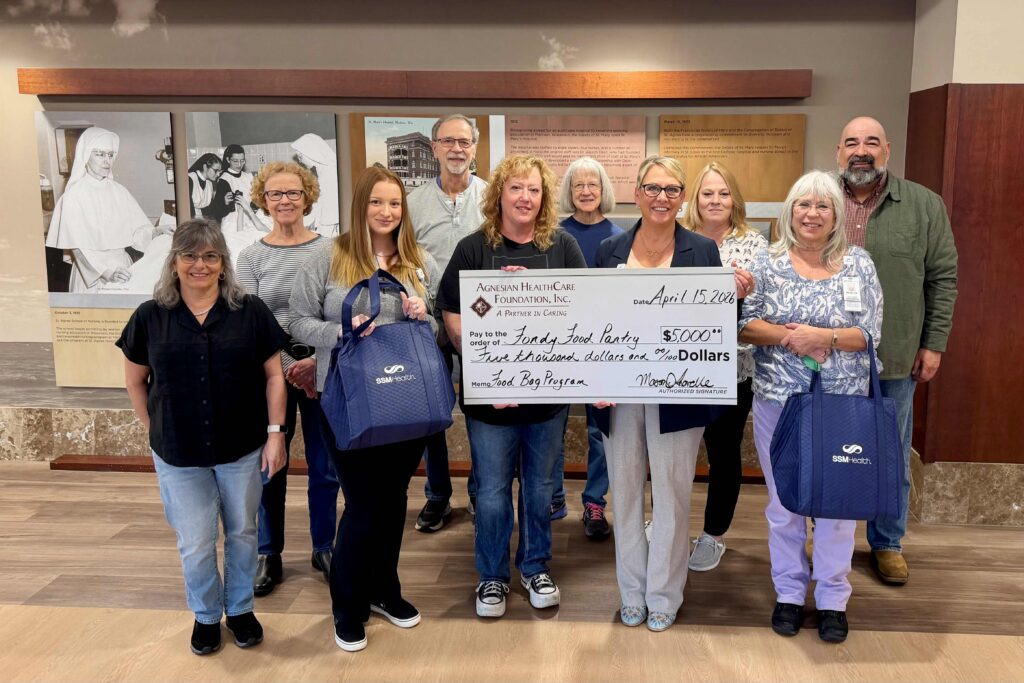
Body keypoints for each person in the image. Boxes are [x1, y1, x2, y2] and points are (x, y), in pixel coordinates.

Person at [115, 218, 288, 655]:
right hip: (179, 453)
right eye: (190, 255)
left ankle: (241, 609)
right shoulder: (150, 317)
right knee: (194, 541)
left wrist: (275, 435)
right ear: (174, 262)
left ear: (223, 264)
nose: (200, 264)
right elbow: (136, 381)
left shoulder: (250, 311)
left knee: (244, 532)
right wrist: (153, 428)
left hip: (242, 447)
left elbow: (274, 377)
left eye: (210, 256)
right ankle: (207, 616)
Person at [290, 166, 440, 652]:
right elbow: (296, 319)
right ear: (361, 205)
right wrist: (341, 331)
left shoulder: (418, 262)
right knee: (361, 505)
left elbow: (437, 331)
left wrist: (425, 316)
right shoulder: (328, 258)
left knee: (394, 500)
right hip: (348, 401)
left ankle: (385, 590)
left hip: (405, 404)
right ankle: (347, 606)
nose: (386, 212)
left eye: (394, 203)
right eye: (377, 202)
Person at [592, 155, 743, 633]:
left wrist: (732, 299)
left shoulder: (701, 249)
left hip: (679, 392)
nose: (662, 197)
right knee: (628, 495)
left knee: (674, 497)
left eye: (672, 189)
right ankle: (631, 592)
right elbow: (590, 323)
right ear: (636, 192)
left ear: (682, 198)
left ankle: (664, 594)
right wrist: (591, 380)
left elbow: (717, 327)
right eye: (653, 188)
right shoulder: (611, 248)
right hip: (618, 391)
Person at [438, 154, 586, 619]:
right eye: (516, 188)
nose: (525, 197)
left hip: (546, 400)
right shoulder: (473, 248)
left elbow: (585, 313)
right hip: (490, 399)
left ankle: (535, 566)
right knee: (494, 491)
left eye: (534, 190)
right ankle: (492, 577)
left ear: (544, 199)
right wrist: (494, 315)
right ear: (498, 194)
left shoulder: (562, 247)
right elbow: (453, 317)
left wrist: (534, 294)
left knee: (542, 488)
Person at [739, 170, 884, 644]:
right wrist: (790, 337)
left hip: (843, 407)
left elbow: (870, 335)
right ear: (790, 210)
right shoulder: (768, 261)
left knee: (837, 505)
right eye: (804, 204)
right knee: (785, 506)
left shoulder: (859, 264)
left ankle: (833, 599)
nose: (812, 214)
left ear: (836, 215)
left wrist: (824, 338)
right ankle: (788, 591)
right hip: (779, 403)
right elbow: (744, 325)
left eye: (823, 206)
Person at [834, 116, 958, 586]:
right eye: (851, 142)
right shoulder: (817, 200)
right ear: (838, 151)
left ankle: (887, 542)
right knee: (830, 449)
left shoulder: (924, 205)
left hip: (895, 355)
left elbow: (942, 279)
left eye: (871, 142)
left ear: (887, 150)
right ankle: (831, 537)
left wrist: (934, 344)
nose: (860, 150)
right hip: (827, 358)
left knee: (889, 453)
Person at [236, 161, 340, 598]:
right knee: (269, 464)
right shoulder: (251, 257)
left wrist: (314, 361)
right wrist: (282, 365)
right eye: (275, 194)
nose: (284, 201)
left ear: (308, 197)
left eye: (293, 193)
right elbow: (248, 323)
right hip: (271, 374)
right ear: (263, 200)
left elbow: (335, 311)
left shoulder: (332, 250)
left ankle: (325, 546)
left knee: (326, 464)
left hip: (321, 369)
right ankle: (268, 552)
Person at [682, 161, 767, 571]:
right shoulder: (674, 238)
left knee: (723, 455)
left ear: (735, 199)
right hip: (677, 370)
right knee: (672, 454)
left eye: (723, 193)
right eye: (707, 193)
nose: (715, 201)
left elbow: (762, 308)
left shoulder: (755, 245)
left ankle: (713, 534)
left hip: (733, 372)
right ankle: (667, 526)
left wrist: (736, 297)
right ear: (695, 199)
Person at [407, 113, 488, 532]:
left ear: (475, 147)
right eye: (448, 141)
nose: (457, 149)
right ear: (434, 147)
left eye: (465, 141)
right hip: (426, 322)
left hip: (482, 323)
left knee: (480, 410)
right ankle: (438, 494)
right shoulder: (412, 202)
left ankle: (479, 491)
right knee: (431, 411)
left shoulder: (492, 198)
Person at [550, 156, 623, 539]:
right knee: (553, 425)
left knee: (599, 430)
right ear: (569, 192)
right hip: (560, 346)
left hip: (604, 348)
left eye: (592, 184)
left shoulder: (621, 236)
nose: (585, 191)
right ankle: (555, 496)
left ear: (603, 189)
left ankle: (595, 503)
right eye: (578, 185)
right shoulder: (552, 234)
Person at [44, 126, 171, 292]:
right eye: (100, 154)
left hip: (124, 269)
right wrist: (106, 272)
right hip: (92, 275)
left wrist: (156, 232)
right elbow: (78, 248)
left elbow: (137, 231)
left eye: (110, 155)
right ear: (86, 155)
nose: (107, 160)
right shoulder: (73, 197)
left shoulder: (119, 191)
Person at [291, 133, 340, 237]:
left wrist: (320, 234)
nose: (300, 161)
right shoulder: (325, 170)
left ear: (310, 153)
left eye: (300, 156)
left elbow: (331, 214)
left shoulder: (330, 173)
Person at [210, 144, 266, 232]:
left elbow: (255, 199)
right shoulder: (224, 179)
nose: (239, 164)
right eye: (235, 161)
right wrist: (225, 203)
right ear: (228, 159)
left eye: (242, 161)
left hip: (249, 222)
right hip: (232, 224)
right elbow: (217, 211)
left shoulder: (248, 177)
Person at [187, 153, 224, 219]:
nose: (218, 174)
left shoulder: (209, 183)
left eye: (219, 171)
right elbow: (189, 210)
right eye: (216, 171)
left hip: (203, 220)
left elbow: (210, 210)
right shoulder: (189, 179)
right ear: (205, 167)